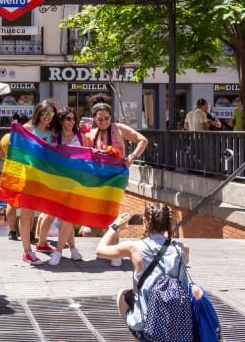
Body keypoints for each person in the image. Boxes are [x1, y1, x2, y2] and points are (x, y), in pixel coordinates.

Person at [95, 203, 189, 342]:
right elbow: (182, 259)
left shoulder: (134, 247)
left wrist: (115, 226)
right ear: (169, 223)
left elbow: (100, 250)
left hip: (147, 330)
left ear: (145, 221)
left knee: (122, 294)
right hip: (179, 328)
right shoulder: (181, 248)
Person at [85, 93, 148, 267]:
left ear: (110, 117)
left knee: (112, 212)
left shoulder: (119, 128)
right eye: (99, 118)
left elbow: (142, 140)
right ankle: (109, 250)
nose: (103, 120)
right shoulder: (91, 134)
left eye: (106, 117)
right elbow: (81, 150)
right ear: (94, 118)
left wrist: (132, 157)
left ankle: (116, 253)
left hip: (117, 177)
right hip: (98, 178)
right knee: (103, 213)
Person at [20, 100, 61, 264]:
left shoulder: (52, 131)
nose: (48, 116)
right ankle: (26, 251)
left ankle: (42, 243)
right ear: (38, 112)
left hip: (46, 177)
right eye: (45, 112)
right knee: (27, 214)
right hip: (29, 177)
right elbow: (21, 152)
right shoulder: (28, 128)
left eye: (51, 113)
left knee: (52, 209)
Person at [46, 106, 85, 265]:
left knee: (67, 216)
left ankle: (58, 251)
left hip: (75, 181)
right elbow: (49, 157)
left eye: (74, 119)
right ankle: (73, 249)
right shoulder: (55, 137)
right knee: (65, 216)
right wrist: (52, 150)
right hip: (59, 181)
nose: (72, 121)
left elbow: (86, 154)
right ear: (61, 120)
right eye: (68, 118)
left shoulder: (79, 136)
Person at [0, 113, 29, 241]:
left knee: (11, 203)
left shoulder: (6, 137)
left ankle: (12, 231)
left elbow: (0, 155)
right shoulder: (27, 138)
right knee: (27, 205)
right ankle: (28, 232)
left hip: (10, 172)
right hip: (25, 173)